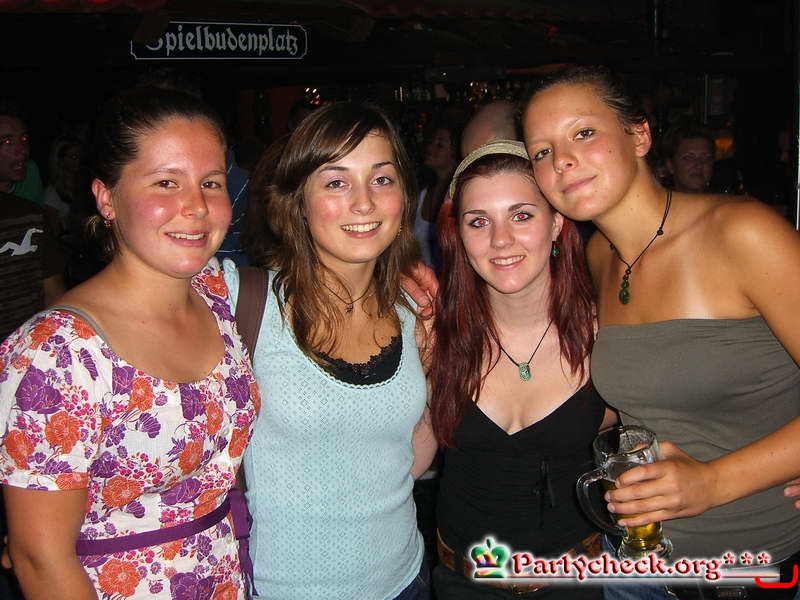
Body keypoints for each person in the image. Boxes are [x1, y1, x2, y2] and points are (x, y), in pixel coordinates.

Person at [521, 65, 800, 599]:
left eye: (583, 132)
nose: (562, 160)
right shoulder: (598, 256)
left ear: (640, 136)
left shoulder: (741, 232)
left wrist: (713, 483)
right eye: (541, 151)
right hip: (633, 568)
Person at [0, 87, 259, 599]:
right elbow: (40, 559)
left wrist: (400, 278)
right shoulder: (57, 355)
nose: (197, 206)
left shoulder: (213, 293)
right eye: (166, 182)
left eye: (210, 183)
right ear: (106, 198)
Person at [222, 102, 432, 599]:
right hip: (283, 588)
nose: (364, 203)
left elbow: (409, 449)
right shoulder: (238, 301)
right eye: (337, 182)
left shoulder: (413, 310)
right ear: (298, 201)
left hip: (404, 577)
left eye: (382, 179)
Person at [428, 140, 613, 599]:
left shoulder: (608, 336)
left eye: (522, 215)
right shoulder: (433, 337)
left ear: (557, 223)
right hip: (462, 583)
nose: (500, 240)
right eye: (478, 221)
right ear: (458, 236)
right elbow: (408, 459)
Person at [416, 123, 459, 267]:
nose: (430, 148)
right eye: (431, 142)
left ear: (455, 154)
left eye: (440, 145)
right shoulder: (422, 194)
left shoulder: (459, 196)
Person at [660, 120, 716, 194]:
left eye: (706, 158)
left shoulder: (725, 200)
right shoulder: (656, 200)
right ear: (670, 165)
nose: (699, 165)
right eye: (689, 158)